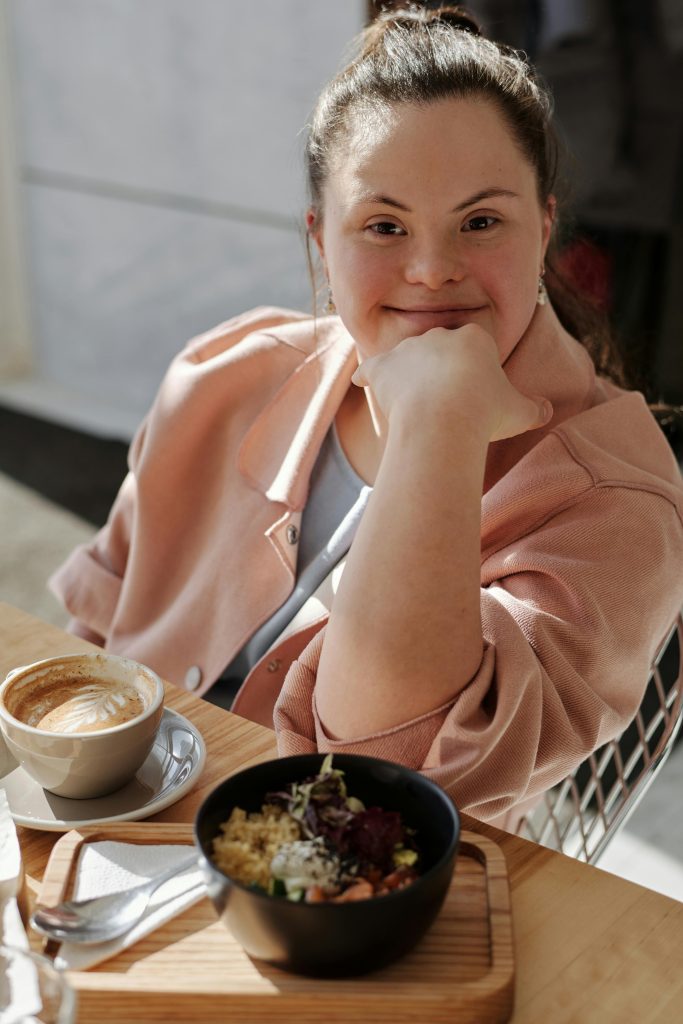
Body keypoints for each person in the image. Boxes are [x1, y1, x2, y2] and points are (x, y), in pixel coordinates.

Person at [50, 4, 683, 829]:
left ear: (546, 227)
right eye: (382, 226)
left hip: (360, 910)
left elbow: (381, 784)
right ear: (321, 242)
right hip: (113, 837)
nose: (431, 270)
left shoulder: (617, 502)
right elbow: (92, 634)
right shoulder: (224, 374)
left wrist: (437, 420)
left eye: (481, 222)